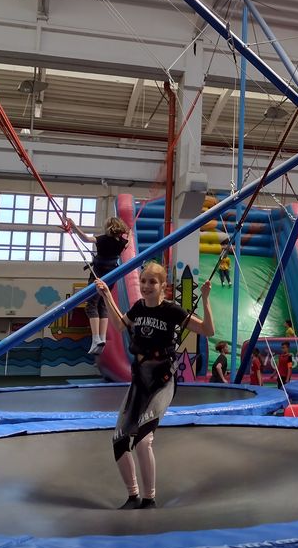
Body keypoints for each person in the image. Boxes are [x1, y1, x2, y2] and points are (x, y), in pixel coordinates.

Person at [94, 263, 214, 509]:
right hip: (140, 379)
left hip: (162, 380)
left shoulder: (172, 311)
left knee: (143, 441)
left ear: (163, 286)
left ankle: (149, 498)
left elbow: (207, 330)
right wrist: (106, 295)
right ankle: (133, 496)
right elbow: (120, 325)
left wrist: (205, 298)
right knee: (119, 439)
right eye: (143, 281)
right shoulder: (138, 307)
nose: (146, 286)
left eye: (152, 282)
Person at [67, 216, 129, 355]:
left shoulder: (103, 239)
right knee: (103, 305)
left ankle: (95, 338)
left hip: (98, 276)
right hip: (111, 277)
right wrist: (129, 234)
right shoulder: (122, 242)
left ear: (108, 227)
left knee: (91, 305)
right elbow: (128, 243)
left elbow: (86, 239)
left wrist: (74, 227)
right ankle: (102, 338)